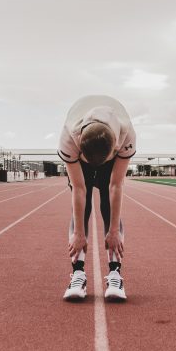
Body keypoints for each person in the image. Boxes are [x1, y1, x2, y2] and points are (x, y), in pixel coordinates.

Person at [58, 95, 136, 301]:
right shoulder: (68, 139)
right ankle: (78, 274)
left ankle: (115, 273)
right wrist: (79, 233)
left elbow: (116, 186)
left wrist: (113, 232)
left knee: (108, 207)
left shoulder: (127, 136)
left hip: (109, 158)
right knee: (80, 213)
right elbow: (79, 188)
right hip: (81, 156)